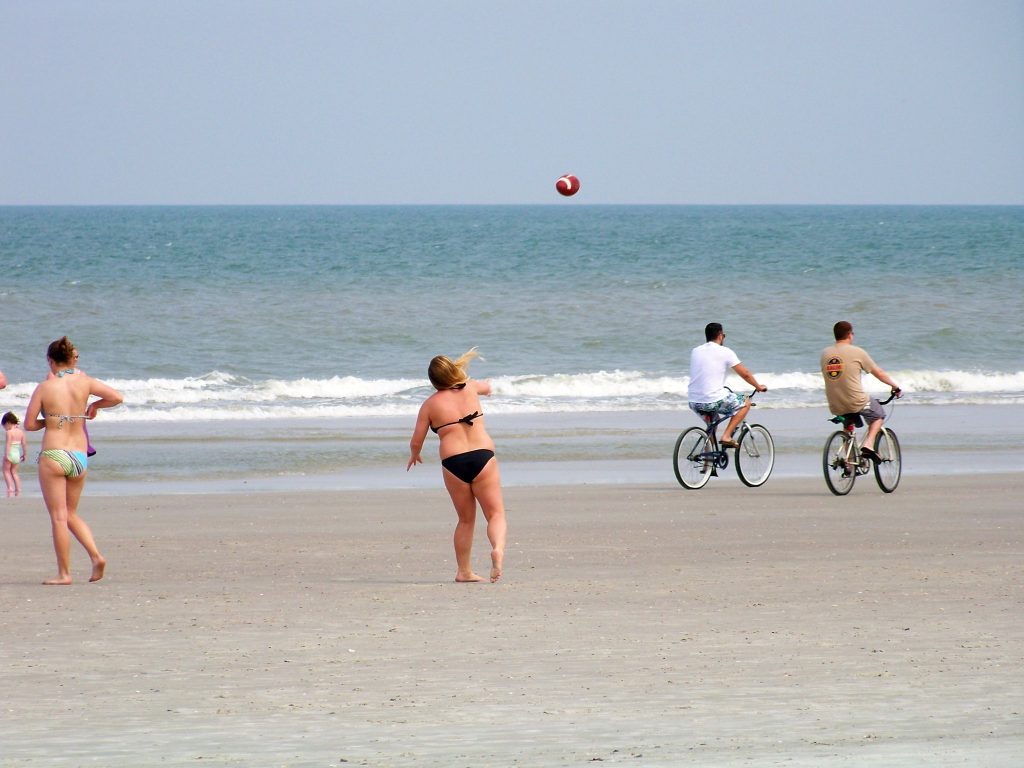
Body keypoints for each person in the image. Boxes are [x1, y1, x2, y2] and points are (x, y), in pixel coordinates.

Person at [24, 336, 123, 585]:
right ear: (71, 359)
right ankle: (96, 556)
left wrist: (50, 421)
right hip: (79, 457)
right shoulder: (85, 382)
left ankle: (64, 573)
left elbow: (28, 424)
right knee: (71, 514)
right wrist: (96, 406)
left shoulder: (44, 388)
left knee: (58, 516)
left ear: (50, 360)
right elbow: (117, 397)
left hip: (54, 454)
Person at [407, 348, 507, 583]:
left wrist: (415, 454)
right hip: (483, 457)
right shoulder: (470, 387)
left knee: (465, 520)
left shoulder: (429, 405)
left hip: (454, 463)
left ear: (433, 382)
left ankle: (464, 571)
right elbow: (489, 387)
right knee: (495, 513)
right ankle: (498, 549)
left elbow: (416, 440)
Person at [821, 321, 901, 464]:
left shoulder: (826, 354)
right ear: (850, 334)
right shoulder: (857, 352)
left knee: (848, 426)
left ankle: (849, 465)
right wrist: (894, 386)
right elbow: (879, 373)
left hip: (835, 403)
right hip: (855, 400)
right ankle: (868, 445)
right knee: (879, 415)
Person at [687, 322, 767, 446]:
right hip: (712, 400)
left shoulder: (695, 351)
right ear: (720, 335)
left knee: (712, 425)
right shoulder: (725, 351)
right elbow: (745, 373)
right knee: (745, 403)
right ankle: (726, 436)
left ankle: (708, 462)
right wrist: (758, 387)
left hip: (694, 401)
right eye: (724, 335)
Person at [3, 411, 27, 497]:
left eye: (4, 426)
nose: (5, 428)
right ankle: (18, 488)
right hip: (17, 455)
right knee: (14, 472)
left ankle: (10, 488)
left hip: (10, 454)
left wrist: (6, 455)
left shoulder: (9, 432)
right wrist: (25, 454)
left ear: (8, 423)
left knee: (6, 471)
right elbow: (24, 444)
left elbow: (8, 444)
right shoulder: (21, 432)